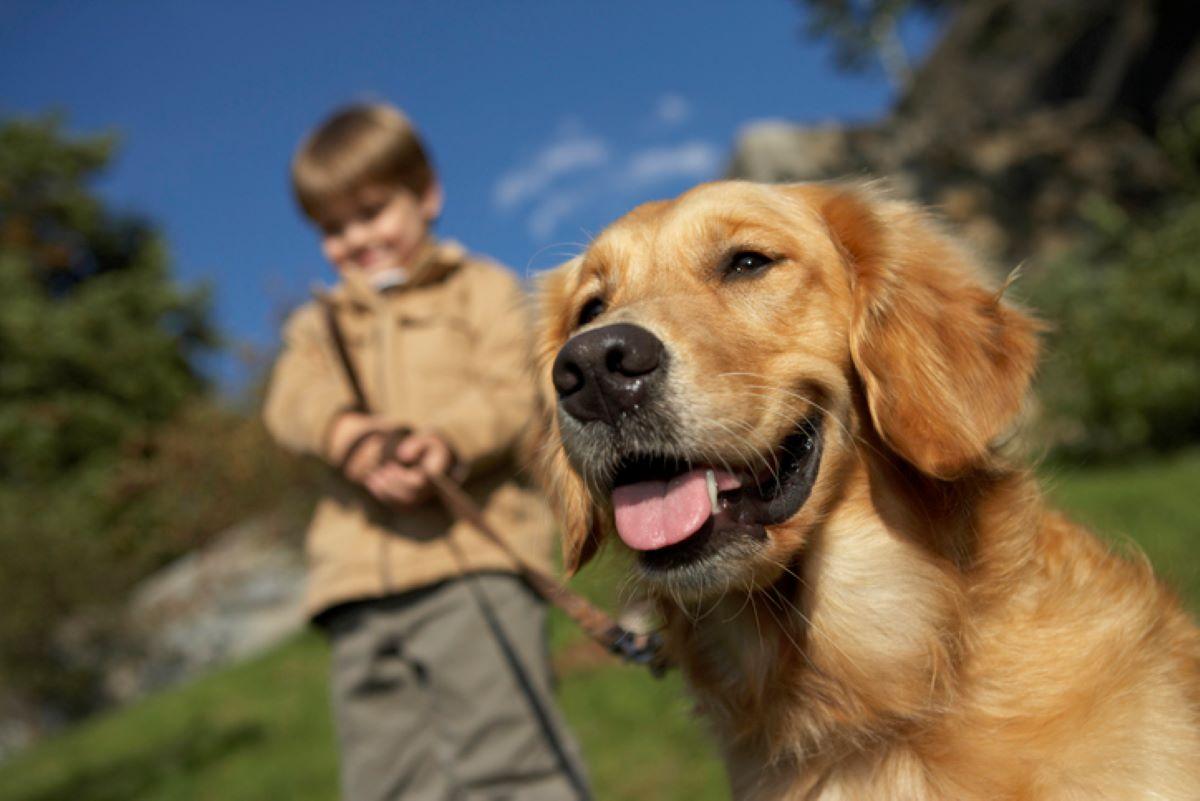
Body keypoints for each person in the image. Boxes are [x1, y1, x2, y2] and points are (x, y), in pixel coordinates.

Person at [263, 102, 589, 801]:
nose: (357, 238)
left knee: (508, 757)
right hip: (356, 585)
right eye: (333, 227)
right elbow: (289, 402)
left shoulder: (482, 289)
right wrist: (346, 435)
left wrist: (443, 440)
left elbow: (513, 391)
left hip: (471, 563)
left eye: (373, 211)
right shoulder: (317, 324)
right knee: (387, 779)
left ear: (427, 195)